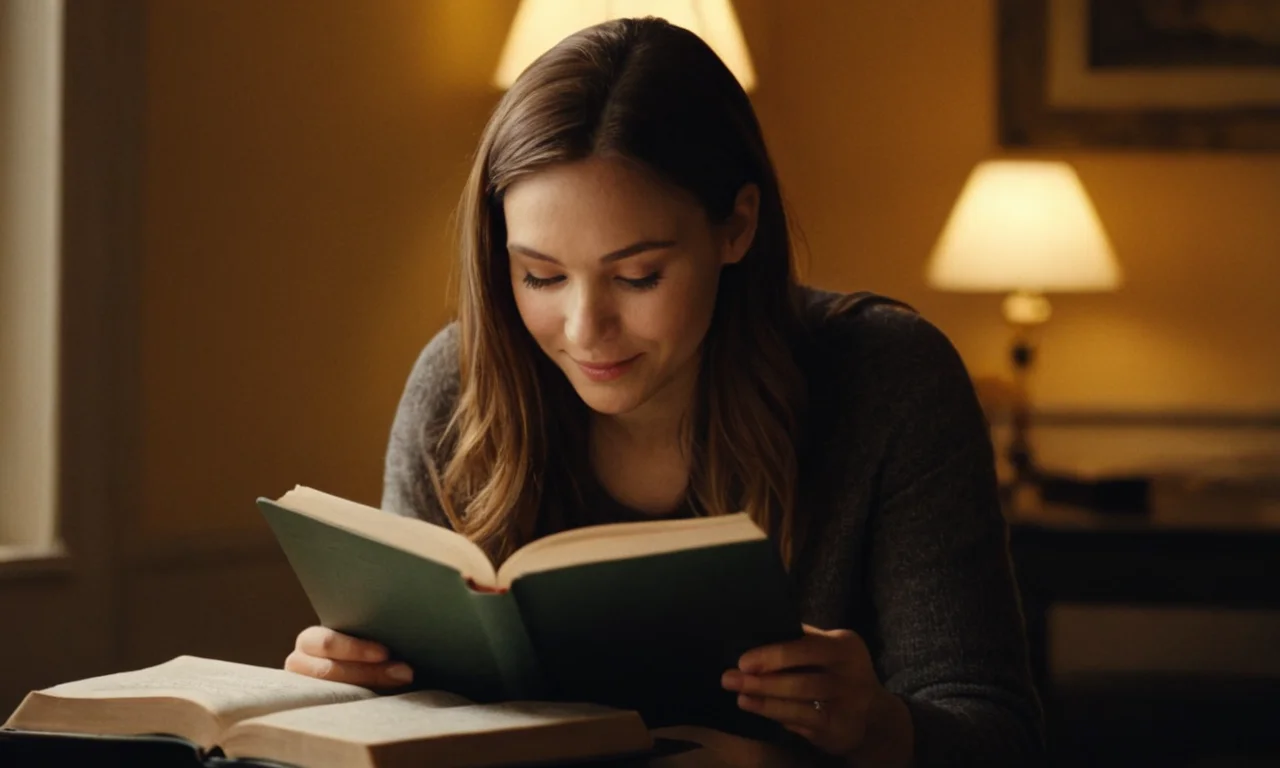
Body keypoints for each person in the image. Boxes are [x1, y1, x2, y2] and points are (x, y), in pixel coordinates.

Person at [285, 17, 1044, 767]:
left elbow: (997, 736)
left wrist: (877, 727)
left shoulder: (891, 381)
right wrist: (355, 691)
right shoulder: (457, 390)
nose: (585, 330)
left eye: (637, 276)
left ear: (737, 226)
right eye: (540, 276)